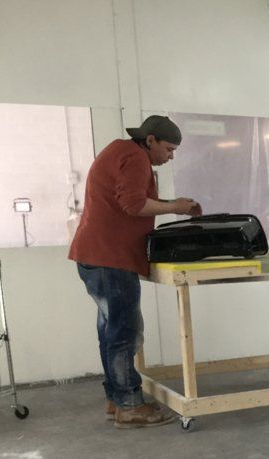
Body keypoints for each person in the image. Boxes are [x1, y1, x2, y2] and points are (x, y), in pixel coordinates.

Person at [68, 115, 202, 428]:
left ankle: (116, 399)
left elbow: (129, 201)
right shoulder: (135, 157)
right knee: (124, 331)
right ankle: (129, 404)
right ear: (150, 140)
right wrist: (175, 207)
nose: (170, 156)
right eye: (169, 149)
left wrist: (171, 204)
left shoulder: (118, 151)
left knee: (110, 330)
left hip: (94, 254)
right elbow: (133, 204)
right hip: (110, 256)